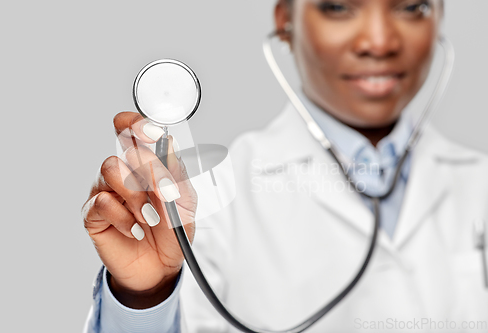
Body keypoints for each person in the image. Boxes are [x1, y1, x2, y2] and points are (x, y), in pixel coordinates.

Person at [82, 0, 488, 332]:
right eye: (338, 7)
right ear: (286, 23)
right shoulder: (208, 196)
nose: (379, 41)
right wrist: (145, 299)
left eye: (412, 7)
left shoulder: (478, 183)